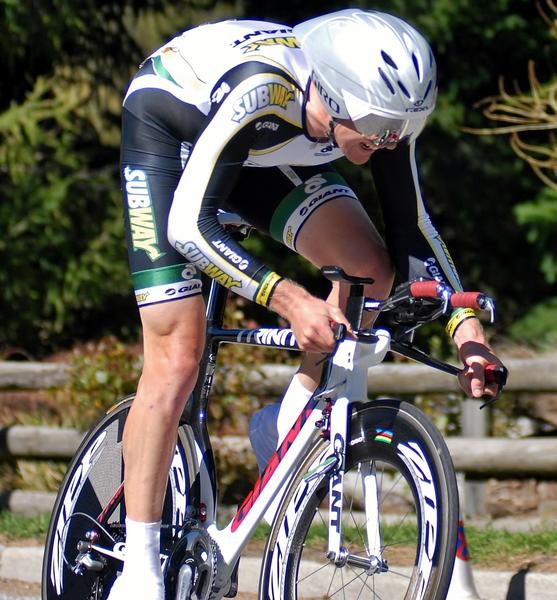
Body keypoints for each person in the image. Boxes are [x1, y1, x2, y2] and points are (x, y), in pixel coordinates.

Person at [110, 9, 504, 600]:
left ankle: (290, 414)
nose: (385, 146)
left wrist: (466, 329)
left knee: (373, 269)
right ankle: (136, 570)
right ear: (337, 96)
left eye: (399, 132)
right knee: (177, 357)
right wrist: (291, 299)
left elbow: (413, 226)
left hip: (264, 152)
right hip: (173, 134)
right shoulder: (260, 87)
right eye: (375, 133)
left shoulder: (373, 116)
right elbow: (188, 227)